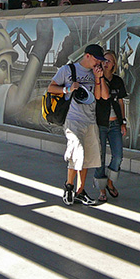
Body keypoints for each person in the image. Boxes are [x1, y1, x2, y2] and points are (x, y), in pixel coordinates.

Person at [48, 44, 109, 206]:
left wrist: (98, 78)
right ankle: (69, 186)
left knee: (87, 156)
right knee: (77, 152)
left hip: (90, 119)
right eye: (96, 59)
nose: (98, 63)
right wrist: (68, 89)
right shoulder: (67, 70)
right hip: (73, 119)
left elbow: (97, 97)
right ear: (87, 56)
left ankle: (80, 191)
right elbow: (51, 88)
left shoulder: (94, 73)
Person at [93, 49, 128, 202]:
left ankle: (110, 182)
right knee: (99, 158)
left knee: (118, 156)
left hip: (115, 123)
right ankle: (101, 190)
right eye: (104, 60)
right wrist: (98, 78)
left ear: (114, 64)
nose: (106, 63)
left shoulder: (117, 81)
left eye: (109, 61)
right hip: (100, 123)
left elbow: (120, 101)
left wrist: (123, 122)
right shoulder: (96, 79)